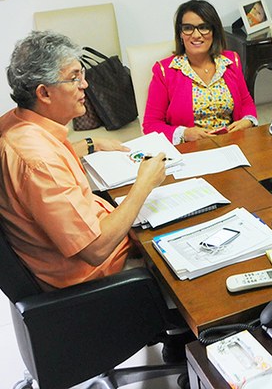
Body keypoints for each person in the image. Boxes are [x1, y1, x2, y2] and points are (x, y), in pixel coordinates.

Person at [0, 31, 168, 290]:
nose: (85, 86)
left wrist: (89, 144)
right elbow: (96, 249)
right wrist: (144, 184)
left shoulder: (15, 122)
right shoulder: (39, 160)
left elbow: (37, 166)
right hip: (97, 278)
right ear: (44, 93)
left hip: (81, 251)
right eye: (74, 78)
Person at [144, 0, 258, 144]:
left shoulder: (230, 61)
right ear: (180, 33)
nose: (196, 35)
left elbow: (246, 102)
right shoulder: (165, 71)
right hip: (190, 149)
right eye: (188, 28)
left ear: (214, 31)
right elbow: (150, 125)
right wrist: (184, 134)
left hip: (232, 143)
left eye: (203, 27)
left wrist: (247, 121)